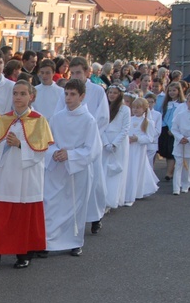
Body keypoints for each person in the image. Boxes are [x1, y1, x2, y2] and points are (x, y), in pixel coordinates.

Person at [0, 80, 53, 270]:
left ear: (31, 97)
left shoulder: (39, 120)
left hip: (27, 175)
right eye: (15, 93)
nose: (18, 97)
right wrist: (5, 144)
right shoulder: (4, 119)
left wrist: (20, 144)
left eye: (22, 93)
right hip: (6, 173)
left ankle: (24, 254)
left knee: (24, 216)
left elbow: (41, 150)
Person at [44, 79, 102, 257]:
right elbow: (49, 141)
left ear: (82, 96)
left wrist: (70, 155)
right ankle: (49, 241)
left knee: (75, 207)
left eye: (73, 94)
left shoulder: (88, 120)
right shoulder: (57, 117)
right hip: (57, 168)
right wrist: (54, 152)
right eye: (66, 94)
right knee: (52, 204)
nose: (68, 98)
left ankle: (74, 242)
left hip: (77, 169)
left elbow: (92, 149)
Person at [55, 57, 110, 235]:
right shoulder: (68, 91)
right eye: (73, 73)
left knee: (93, 183)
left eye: (79, 72)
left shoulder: (97, 91)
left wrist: (87, 136)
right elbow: (58, 114)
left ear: (87, 72)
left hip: (89, 143)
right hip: (68, 143)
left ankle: (94, 217)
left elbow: (102, 118)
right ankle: (68, 222)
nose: (76, 76)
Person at [123, 98, 158, 206]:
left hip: (138, 150)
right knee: (127, 170)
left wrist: (137, 138)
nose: (135, 110)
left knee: (135, 170)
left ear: (144, 109)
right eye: (133, 107)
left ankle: (131, 195)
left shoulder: (148, 122)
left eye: (138, 108)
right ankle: (125, 193)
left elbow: (150, 138)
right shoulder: (129, 119)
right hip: (128, 148)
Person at [101, 84, 130, 211]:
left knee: (115, 171)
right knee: (104, 171)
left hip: (118, 143)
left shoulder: (125, 110)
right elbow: (100, 126)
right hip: (105, 142)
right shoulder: (104, 108)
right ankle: (103, 198)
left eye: (115, 93)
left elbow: (125, 129)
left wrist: (114, 143)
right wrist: (106, 143)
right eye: (110, 92)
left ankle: (111, 200)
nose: (111, 95)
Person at [158, 82, 185, 181]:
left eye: (174, 90)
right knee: (166, 150)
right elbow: (162, 115)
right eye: (170, 91)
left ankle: (169, 173)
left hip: (175, 129)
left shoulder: (182, 104)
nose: (172, 93)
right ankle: (169, 170)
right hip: (165, 128)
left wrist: (173, 129)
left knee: (172, 151)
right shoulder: (166, 103)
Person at [144, 92, 162, 169]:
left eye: (151, 102)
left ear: (154, 103)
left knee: (149, 164)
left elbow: (158, 130)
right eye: (148, 102)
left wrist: (149, 136)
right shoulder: (141, 113)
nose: (149, 104)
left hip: (152, 142)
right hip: (141, 141)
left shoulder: (157, 114)